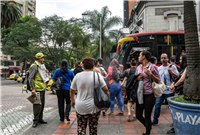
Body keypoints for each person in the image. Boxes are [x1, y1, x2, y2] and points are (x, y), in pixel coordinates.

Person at [70, 57, 109, 135]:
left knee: (81, 127)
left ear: (83, 65)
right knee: (93, 128)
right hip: (95, 106)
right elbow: (106, 89)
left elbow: (72, 90)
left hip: (80, 106)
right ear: (93, 65)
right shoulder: (97, 75)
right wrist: (108, 101)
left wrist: (72, 100)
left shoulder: (77, 76)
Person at [135, 51, 160, 135]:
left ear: (144, 57)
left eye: (140, 56)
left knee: (147, 116)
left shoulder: (153, 67)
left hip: (149, 94)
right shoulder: (138, 67)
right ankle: (148, 126)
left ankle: (147, 132)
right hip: (140, 94)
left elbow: (158, 80)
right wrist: (137, 78)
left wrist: (150, 74)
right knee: (138, 115)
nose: (138, 57)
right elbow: (135, 78)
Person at [152, 53, 179, 125]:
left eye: (164, 58)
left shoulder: (172, 67)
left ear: (168, 59)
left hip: (170, 90)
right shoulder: (159, 68)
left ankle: (175, 122)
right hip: (161, 91)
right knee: (157, 105)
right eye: (162, 58)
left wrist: (171, 72)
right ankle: (155, 120)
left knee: (172, 107)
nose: (163, 60)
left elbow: (178, 76)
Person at [167, 54, 187, 134]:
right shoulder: (183, 69)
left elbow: (182, 79)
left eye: (181, 59)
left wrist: (174, 85)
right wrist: (174, 84)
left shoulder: (187, 68)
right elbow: (179, 77)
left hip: (184, 90)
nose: (180, 61)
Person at [28, 53, 48, 128]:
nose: (43, 59)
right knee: (36, 105)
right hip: (36, 89)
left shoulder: (41, 66)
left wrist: (46, 72)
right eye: (42, 58)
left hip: (42, 88)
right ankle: (35, 121)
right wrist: (32, 88)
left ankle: (40, 119)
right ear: (39, 58)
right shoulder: (34, 66)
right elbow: (30, 78)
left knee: (42, 105)